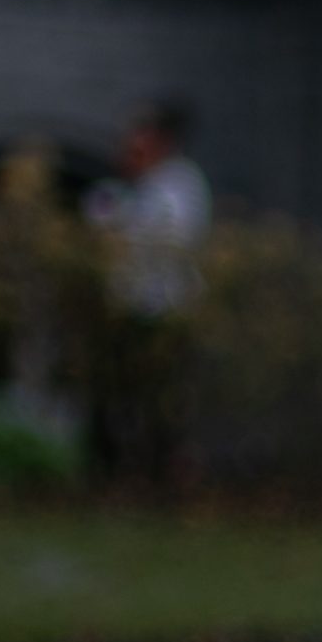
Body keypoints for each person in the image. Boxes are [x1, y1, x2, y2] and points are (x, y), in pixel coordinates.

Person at [82, 100, 211, 484]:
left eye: (139, 147)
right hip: (132, 310)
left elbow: (166, 241)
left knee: (160, 403)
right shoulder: (140, 190)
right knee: (119, 396)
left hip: (163, 312)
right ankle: (116, 471)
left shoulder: (178, 188)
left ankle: (157, 475)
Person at [86, 100, 211, 318]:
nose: (128, 158)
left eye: (138, 150)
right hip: (129, 307)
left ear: (161, 144)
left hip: (168, 308)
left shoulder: (180, 182)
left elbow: (174, 235)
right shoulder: (122, 189)